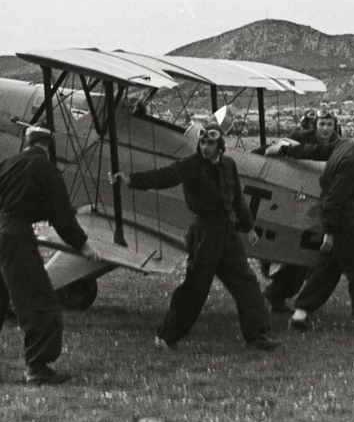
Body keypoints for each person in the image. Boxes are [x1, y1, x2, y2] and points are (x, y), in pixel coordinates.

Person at [0, 125, 97, 384]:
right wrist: (83, 245)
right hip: (15, 234)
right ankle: (37, 367)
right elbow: (62, 217)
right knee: (39, 299)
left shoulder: (6, 164)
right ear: (48, 147)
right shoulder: (46, 169)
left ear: (26, 143)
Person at [114, 123, 277, 351]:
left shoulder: (229, 165)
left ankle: (256, 334)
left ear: (219, 146)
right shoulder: (191, 165)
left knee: (246, 282)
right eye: (202, 143)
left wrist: (249, 227)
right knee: (195, 288)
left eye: (210, 143)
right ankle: (166, 336)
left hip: (227, 233)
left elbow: (238, 199)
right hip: (205, 233)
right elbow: (165, 176)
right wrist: (131, 180)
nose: (205, 147)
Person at [289, 128, 354, 331]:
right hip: (341, 218)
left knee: (329, 268)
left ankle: (300, 314)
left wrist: (289, 149)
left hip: (338, 214)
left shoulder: (345, 144)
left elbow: (317, 151)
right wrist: (330, 233)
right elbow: (334, 200)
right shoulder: (353, 163)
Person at [261, 112, 342, 312]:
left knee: (306, 254)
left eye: (329, 124)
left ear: (334, 126)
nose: (325, 129)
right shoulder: (300, 138)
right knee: (298, 249)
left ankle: (277, 292)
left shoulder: (337, 143)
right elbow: (275, 148)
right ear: (315, 126)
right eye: (322, 124)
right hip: (293, 196)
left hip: (318, 201)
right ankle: (276, 289)